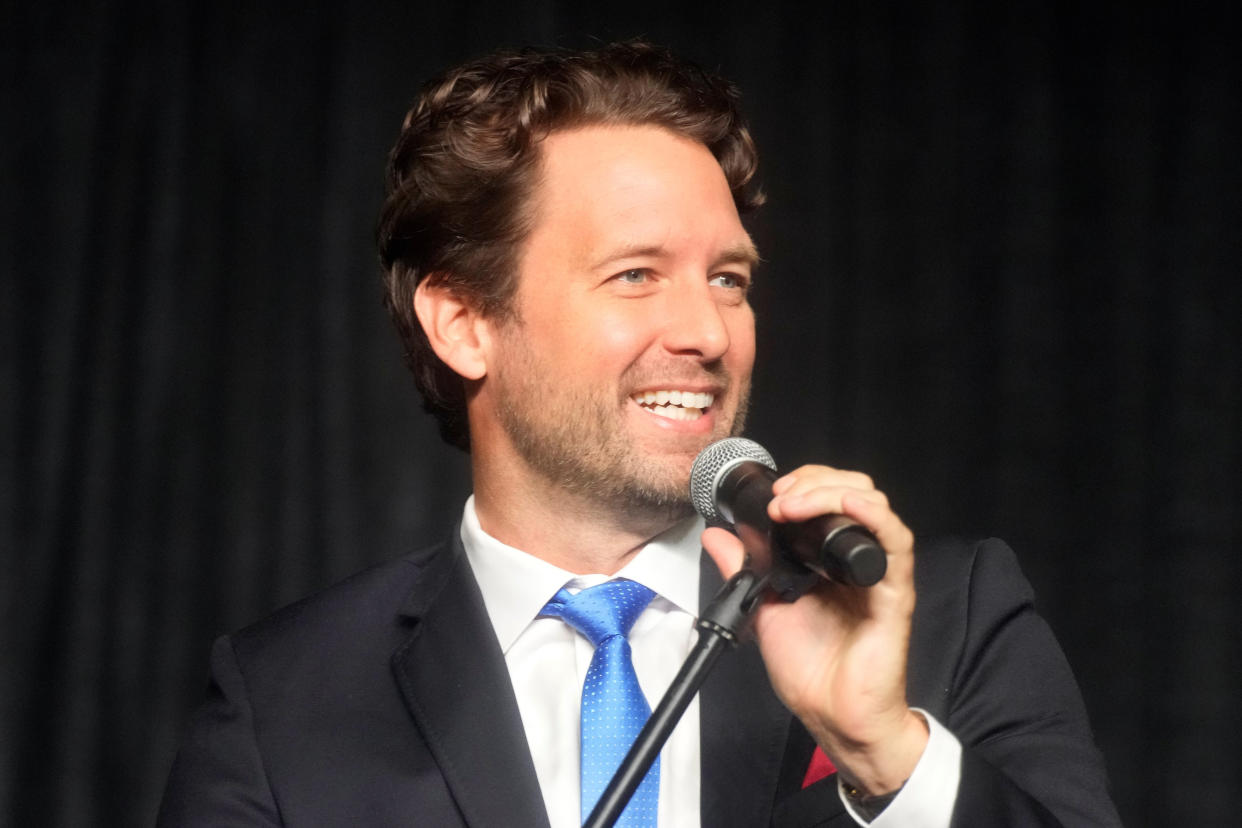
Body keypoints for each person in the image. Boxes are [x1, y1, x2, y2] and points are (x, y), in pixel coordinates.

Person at [159, 42, 1120, 827]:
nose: (707, 332)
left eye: (730, 279)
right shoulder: (283, 703)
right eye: (635, 275)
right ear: (463, 323)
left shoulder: (944, 620)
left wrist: (890, 758)